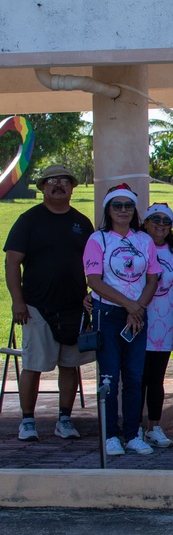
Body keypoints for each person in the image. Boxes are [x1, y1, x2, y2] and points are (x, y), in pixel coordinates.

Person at [5, 165, 95, 442]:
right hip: (36, 306)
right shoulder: (29, 220)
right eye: (52, 181)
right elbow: (12, 262)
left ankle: (64, 419)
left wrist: (92, 294)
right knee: (33, 364)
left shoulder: (82, 223)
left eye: (65, 181)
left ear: (72, 187)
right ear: (42, 187)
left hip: (74, 307)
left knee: (70, 365)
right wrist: (18, 301)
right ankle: (28, 421)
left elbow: (94, 265)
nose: (59, 185)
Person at [83, 184, 161, 456]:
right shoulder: (98, 240)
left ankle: (132, 434)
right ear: (108, 209)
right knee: (109, 377)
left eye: (128, 206)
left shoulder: (144, 240)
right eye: (117, 206)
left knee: (134, 377)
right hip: (108, 314)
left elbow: (153, 278)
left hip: (137, 315)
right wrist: (130, 305)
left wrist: (138, 308)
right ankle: (110, 436)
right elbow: (94, 281)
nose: (123, 211)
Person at [139, 203, 173, 449]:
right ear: (146, 222)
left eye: (166, 221)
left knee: (156, 379)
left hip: (163, 326)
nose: (160, 224)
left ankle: (154, 427)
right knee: (137, 378)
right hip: (137, 322)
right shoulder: (136, 247)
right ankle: (134, 428)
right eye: (155, 219)